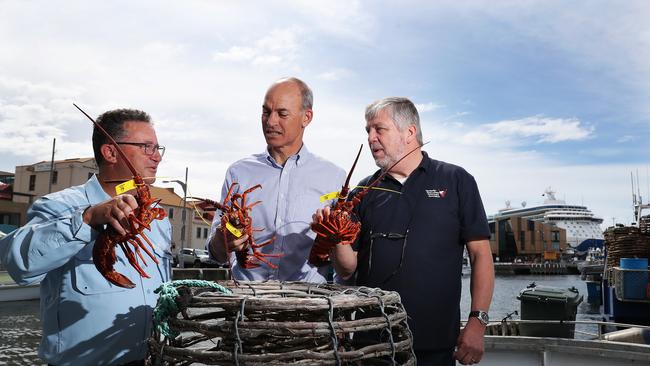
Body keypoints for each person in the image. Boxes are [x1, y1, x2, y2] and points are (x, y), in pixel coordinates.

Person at [315, 97, 495, 365]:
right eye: (367, 131)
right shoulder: (362, 192)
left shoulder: (457, 180)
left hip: (435, 342)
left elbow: (481, 254)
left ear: (409, 132)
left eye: (379, 129)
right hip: (371, 343)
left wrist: (477, 323)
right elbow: (346, 269)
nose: (371, 138)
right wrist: (335, 235)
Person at [0, 108, 172, 366]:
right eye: (147, 147)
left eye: (159, 148)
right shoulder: (58, 205)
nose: (157, 157)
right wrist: (88, 218)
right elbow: (19, 264)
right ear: (110, 151)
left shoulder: (157, 217)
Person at [207, 77, 346, 282]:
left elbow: (344, 263)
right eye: (266, 112)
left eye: (282, 114)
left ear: (306, 117)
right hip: (247, 304)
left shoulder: (335, 177)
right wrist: (222, 241)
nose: (271, 122)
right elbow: (217, 255)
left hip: (308, 305)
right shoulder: (238, 172)